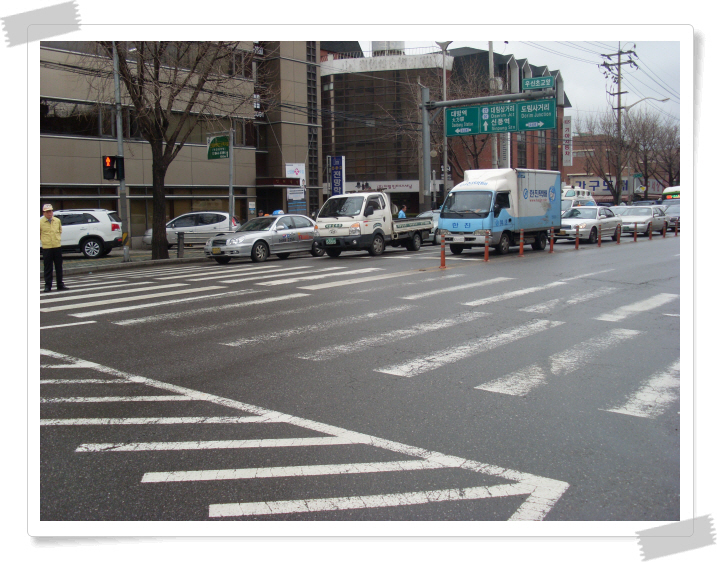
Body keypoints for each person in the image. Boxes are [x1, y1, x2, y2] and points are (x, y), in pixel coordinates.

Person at [40, 204, 67, 293]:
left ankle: (60, 284)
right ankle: (48, 286)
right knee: (48, 267)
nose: (49, 213)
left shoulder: (57, 221)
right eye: (47, 211)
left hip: (57, 246)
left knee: (59, 266)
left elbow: (60, 231)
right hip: (47, 247)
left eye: (51, 211)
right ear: (43, 212)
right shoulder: (40, 222)